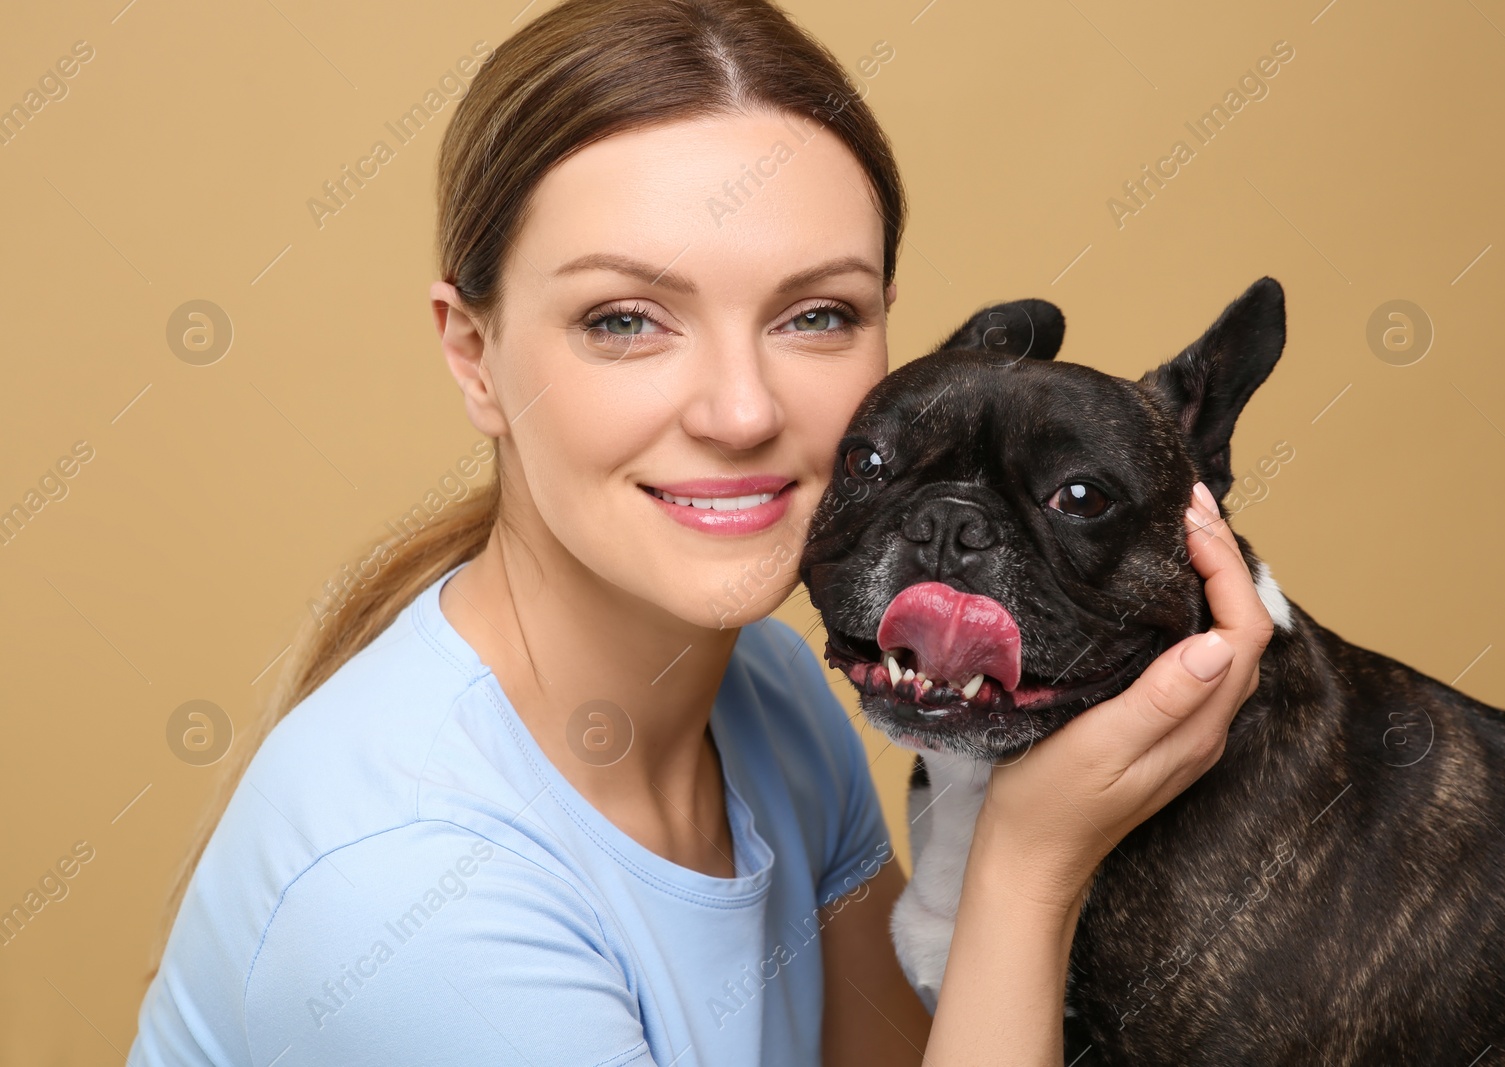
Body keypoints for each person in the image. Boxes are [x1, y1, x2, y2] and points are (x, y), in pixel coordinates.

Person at [127, 0, 1273, 1063]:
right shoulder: (411, 899)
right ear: (473, 354)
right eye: (625, 320)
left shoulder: (764, 689)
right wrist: (1028, 864)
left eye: (816, 315)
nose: (741, 410)